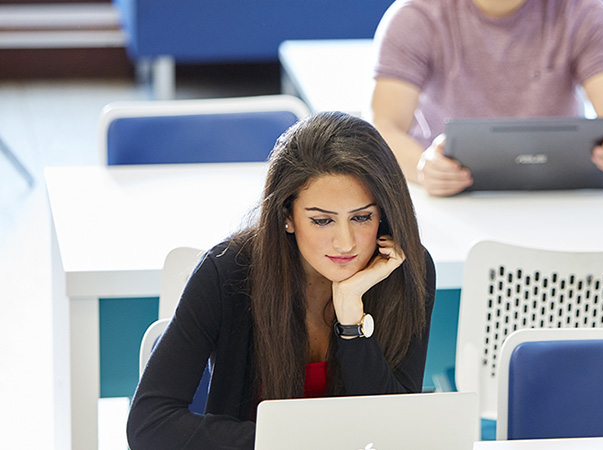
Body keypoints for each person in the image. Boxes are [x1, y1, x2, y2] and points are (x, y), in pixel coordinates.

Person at [127, 112, 435, 449]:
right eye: (322, 221)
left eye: (361, 217)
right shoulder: (228, 271)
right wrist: (294, 442)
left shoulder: (404, 270)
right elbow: (149, 424)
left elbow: (397, 431)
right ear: (287, 216)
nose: (345, 242)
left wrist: (352, 325)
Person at [371, 0, 603, 196]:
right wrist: (423, 168)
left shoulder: (586, 12)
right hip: (450, 194)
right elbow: (384, 127)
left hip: (559, 194)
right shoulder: (415, 16)